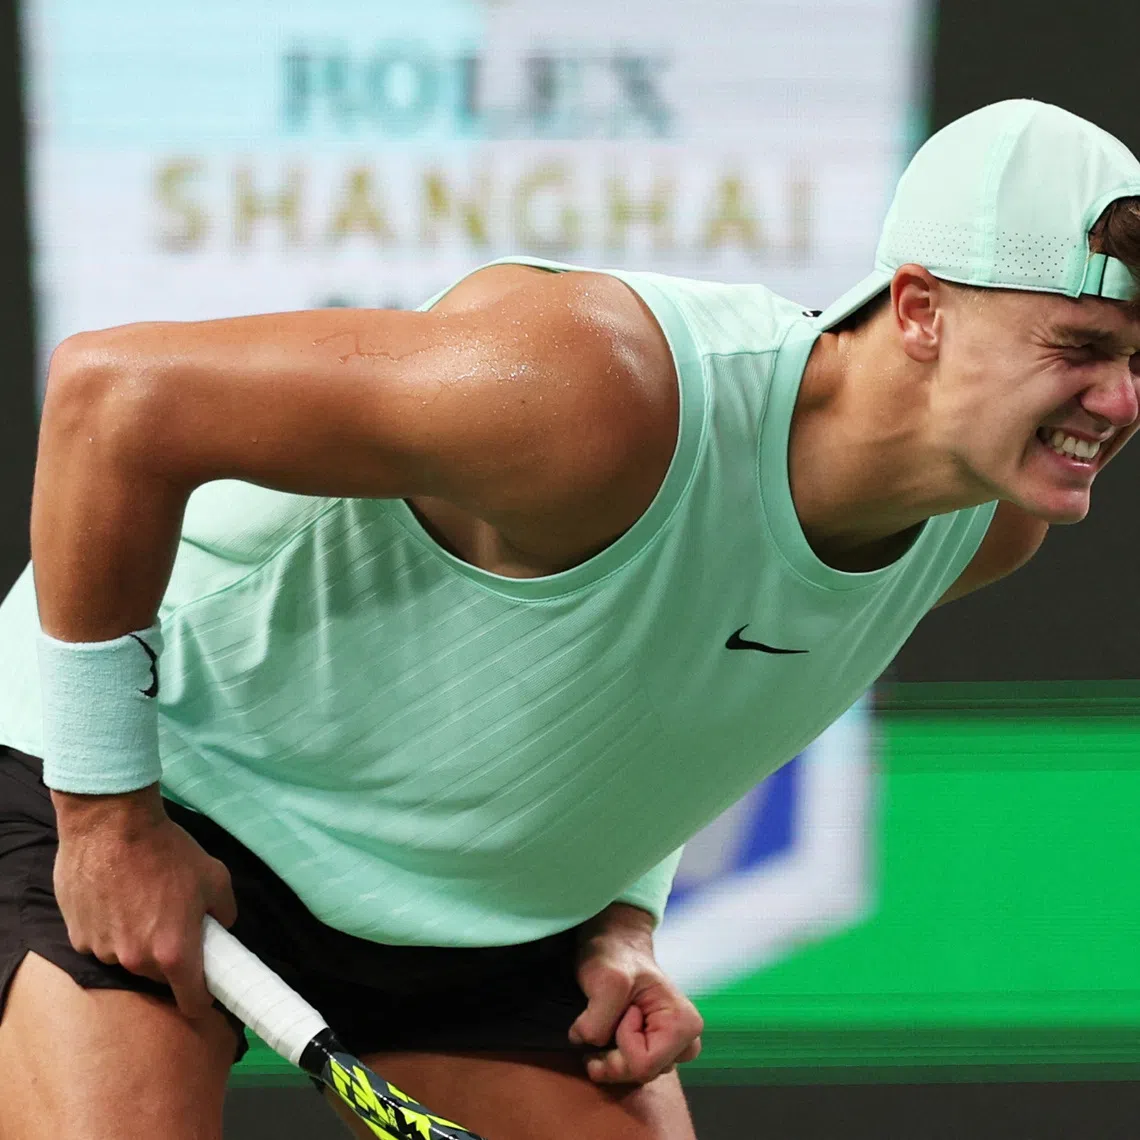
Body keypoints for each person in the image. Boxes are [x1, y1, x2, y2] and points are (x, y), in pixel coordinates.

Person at [1, 97, 1139, 1140]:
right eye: (1079, 349)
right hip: (169, 780)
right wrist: (107, 820)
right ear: (920, 310)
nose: (1120, 400)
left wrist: (621, 915)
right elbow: (115, 399)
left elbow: (682, 672)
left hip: (474, 917)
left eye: (1136, 358)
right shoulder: (599, 392)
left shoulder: (985, 523)